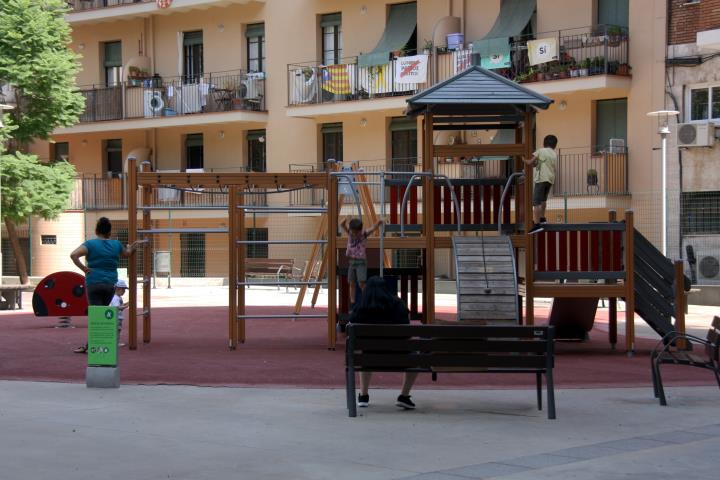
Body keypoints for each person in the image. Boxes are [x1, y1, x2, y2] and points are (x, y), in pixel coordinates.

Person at [69, 217, 140, 353]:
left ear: (96, 230)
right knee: (103, 311)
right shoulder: (116, 244)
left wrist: (84, 269)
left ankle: (95, 346)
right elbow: (128, 253)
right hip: (110, 284)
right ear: (109, 231)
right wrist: (131, 247)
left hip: (93, 282)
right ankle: (97, 344)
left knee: (96, 315)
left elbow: (73, 255)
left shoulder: (90, 244)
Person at [349, 276, 418, 410]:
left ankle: (363, 396)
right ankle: (404, 396)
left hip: (369, 356)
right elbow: (407, 333)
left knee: (364, 354)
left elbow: (351, 329)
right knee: (415, 356)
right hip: (400, 356)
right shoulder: (399, 306)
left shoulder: (361, 308)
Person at [340, 217, 383, 308]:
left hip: (361, 262)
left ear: (360, 230)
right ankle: (352, 302)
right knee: (351, 282)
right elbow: (342, 226)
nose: (354, 234)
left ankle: (366, 300)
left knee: (361, 283)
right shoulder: (350, 233)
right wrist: (344, 221)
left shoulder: (364, 234)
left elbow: (372, 228)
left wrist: (378, 222)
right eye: (352, 231)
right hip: (351, 261)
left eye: (356, 232)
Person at [523, 134, 558, 234]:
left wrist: (523, 159)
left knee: (536, 202)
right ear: (554, 145)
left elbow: (530, 162)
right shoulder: (554, 154)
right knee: (543, 200)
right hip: (550, 179)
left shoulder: (541, 151)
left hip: (541, 178)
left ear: (544, 143)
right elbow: (537, 164)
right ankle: (543, 218)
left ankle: (537, 224)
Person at [110, 279, 129, 347]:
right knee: (117, 331)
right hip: (116, 318)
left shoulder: (118, 297)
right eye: (123, 290)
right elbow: (117, 307)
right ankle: (115, 343)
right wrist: (126, 306)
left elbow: (120, 305)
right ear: (118, 289)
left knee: (117, 330)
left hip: (118, 317)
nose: (124, 291)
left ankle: (115, 342)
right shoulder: (116, 298)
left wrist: (126, 303)